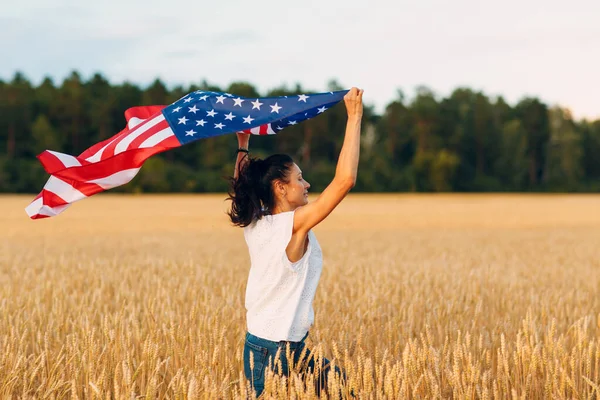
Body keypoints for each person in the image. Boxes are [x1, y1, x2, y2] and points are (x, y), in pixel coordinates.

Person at [227, 87, 363, 397]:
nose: (307, 184)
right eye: (299, 179)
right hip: (273, 351)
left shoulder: (257, 220)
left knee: (342, 389)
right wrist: (354, 117)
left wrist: (243, 146)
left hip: (279, 345)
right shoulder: (292, 226)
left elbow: (242, 189)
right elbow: (344, 181)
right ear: (280, 188)